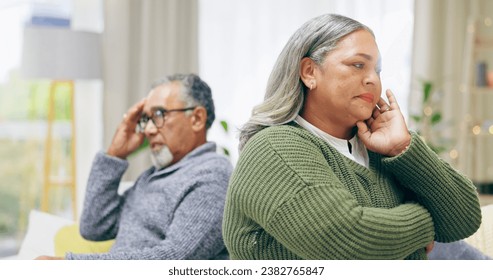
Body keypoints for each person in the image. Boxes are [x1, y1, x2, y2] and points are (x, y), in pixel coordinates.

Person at [222, 14, 482, 260]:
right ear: (309, 72)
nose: (372, 80)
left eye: (377, 70)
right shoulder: (272, 147)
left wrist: (403, 149)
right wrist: (427, 221)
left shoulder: (382, 148)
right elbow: (343, 239)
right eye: (357, 65)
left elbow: (465, 218)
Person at [38, 73, 233, 260]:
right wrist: (115, 154)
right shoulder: (155, 176)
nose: (148, 129)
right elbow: (94, 228)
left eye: (159, 114)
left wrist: (71, 266)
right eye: (146, 118)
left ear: (197, 119)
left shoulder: (212, 175)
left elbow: (174, 260)